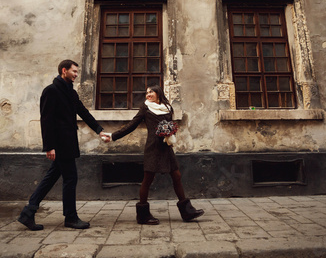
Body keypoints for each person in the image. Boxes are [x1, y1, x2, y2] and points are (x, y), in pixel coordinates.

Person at [18, 59, 110, 231]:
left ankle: (28, 213)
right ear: (63, 71)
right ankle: (71, 217)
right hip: (59, 144)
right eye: (74, 71)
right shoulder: (51, 91)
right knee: (70, 178)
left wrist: (99, 130)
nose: (76, 74)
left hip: (68, 143)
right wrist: (49, 146)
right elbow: (46, 120)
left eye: (76, 72)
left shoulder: (71, 93)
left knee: (52, 176)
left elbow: (83, 112)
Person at [106, 85, 204, 224]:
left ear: (158, 93)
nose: (148, 94)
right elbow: (132, 125)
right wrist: (112, 136)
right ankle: (143, 215)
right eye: (146, 92)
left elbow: (171, 125)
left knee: (176, 176)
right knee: (148, 179)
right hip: (153, 148)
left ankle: (187, 211)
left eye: (151, 91)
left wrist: (170, 133)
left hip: (166, 147)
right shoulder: (145, 108)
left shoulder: (168, 108)